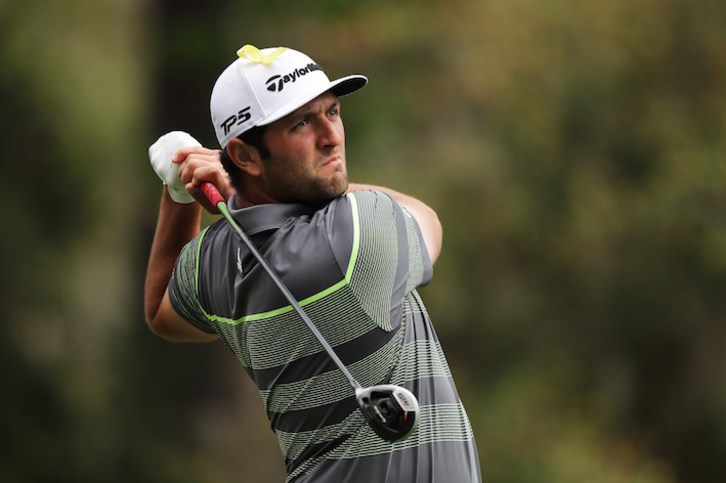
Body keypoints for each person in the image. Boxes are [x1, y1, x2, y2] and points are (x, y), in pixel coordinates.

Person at [145, 44, 482, 482]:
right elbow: (426, 218)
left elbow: (160, 311)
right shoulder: (356, 237)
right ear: (244, 156)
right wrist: (229, 191)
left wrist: (177, 192)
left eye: (332, 112)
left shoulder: (212, 261)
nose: (331, 135)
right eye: (302, 123)